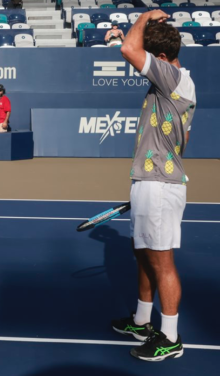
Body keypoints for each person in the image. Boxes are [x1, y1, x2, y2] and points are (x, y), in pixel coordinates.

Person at [112, 10, 196, 361]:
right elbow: (184, 141)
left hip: (158, 185)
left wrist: (144, 16)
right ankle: (143, 320)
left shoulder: (171, 76)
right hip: (153, 180)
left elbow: (128, 50)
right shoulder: (177, 81)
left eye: (150, 56)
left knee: (162, 263)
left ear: (161, 59)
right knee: (143, 255)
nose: (143, 60)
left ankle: (170, 338)